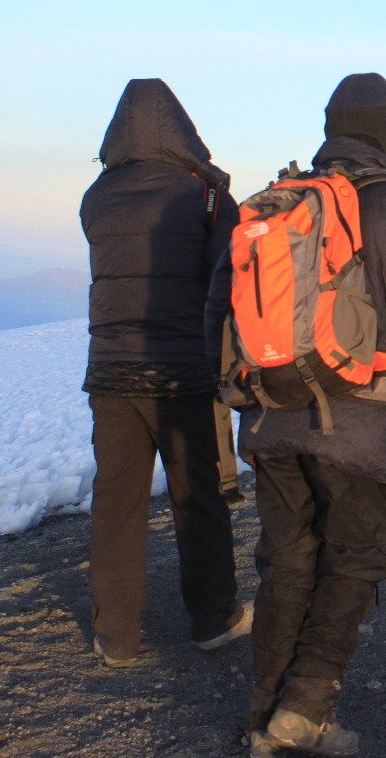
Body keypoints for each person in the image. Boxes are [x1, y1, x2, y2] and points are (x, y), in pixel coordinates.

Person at [236, 73, 386, 757]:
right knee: (352, 561)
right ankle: (304, 709)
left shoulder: (276, 203)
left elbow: (224, 318)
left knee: (285, 563)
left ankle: (264, 716)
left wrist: (242, 403)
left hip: (274, 417)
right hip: (365, 423)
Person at [80, 78, 250, 669]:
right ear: (181, 126)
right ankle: (214, 618)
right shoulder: (201, 194)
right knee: (196, 496)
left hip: (109, 373)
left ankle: (118, 638)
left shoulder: (97, 196)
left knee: (117, 504)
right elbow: (231, 271)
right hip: (181, 370)